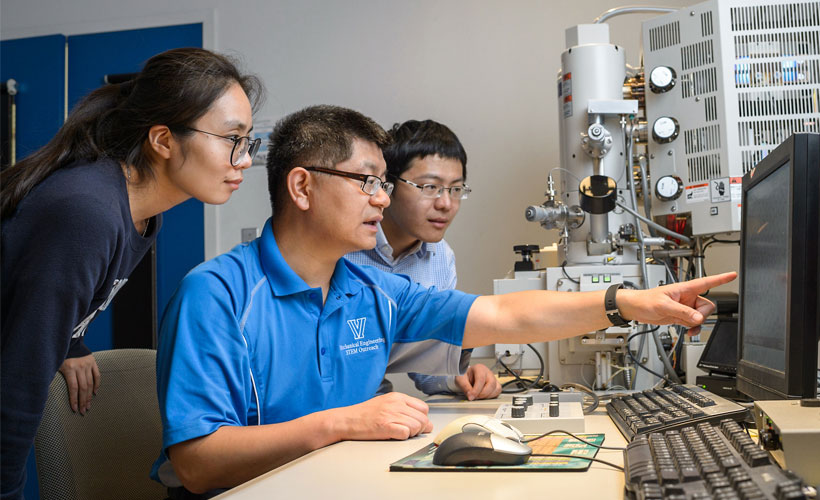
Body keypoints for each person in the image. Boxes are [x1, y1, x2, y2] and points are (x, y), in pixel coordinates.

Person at [151, 104, 736, 497]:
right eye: (368, 181)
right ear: (302, 186)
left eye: (385, 182)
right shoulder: (218, 294)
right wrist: (342, 423)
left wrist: (626, 303)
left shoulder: (372, 287)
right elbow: (198, 462)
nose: (382, 200)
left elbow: (503, 315)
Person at [0, 47, 264, 500]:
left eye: (248, 141)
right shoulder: (87, 212)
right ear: (162, 140)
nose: (243, 160)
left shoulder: (141, 213)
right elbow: (15, 387)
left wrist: (68, 340)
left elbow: (41, 294)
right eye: (231, 139)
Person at [345, 119, 501, 400]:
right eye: (430, 187)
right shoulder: (344, 246)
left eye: (456, 189)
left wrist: (460, 379)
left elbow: (425, 361)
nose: (446, 203)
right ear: (387, 185)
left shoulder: (440, 258)